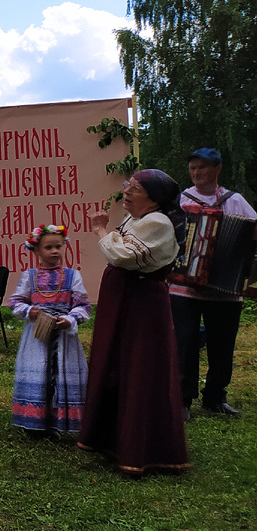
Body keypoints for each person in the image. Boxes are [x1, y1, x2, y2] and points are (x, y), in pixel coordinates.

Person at [79, 169, 189, 476]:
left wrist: (102, 231)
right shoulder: (137, 220)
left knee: (139, 366)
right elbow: (121, 248)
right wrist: (112, 237)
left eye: (136, 188)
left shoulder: (158, 223)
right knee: (118, 362)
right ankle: (112, 438)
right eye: (129, 185)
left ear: (153, 199)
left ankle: (142, 447)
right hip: (126, 299)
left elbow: (122, 255)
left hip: (141, 304)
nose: (127, 191)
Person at [169, 148, 256, 417]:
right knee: (184, 342)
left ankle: (216, 397)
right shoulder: (180, 201)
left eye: (202, 168)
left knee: (222, 344)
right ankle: (183, 399)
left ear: (217, 169)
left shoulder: (236, 201)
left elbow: (253, 236)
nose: (196, 173)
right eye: (192, 168)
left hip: (226, 290)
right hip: (184, 287)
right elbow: (168, 234)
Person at [9, 225, 91, 437]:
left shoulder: (73, 276)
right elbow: (16, 302)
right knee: (39, 371)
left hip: (63, 335)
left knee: (61, 373)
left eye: (59, 246)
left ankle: (59, 422)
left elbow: (83, 305)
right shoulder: (30, 276)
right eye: (49, 247)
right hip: (37, 335)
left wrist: (70, 318)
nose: (55, 251)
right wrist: (30, 311)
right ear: (36, 251)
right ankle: (34, 422)